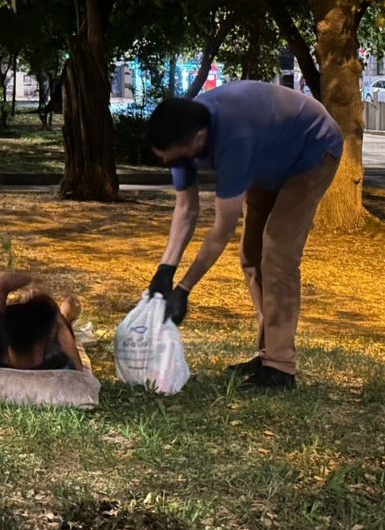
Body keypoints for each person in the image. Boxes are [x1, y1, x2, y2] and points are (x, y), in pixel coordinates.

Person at [145, 80, 343, 389]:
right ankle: (268, 353)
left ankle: (280, 367)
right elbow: (186, 209)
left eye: (174, 157)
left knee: (277, 255)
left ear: (199, 139)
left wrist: (184, 289)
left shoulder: (234, 137)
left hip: (313, 150)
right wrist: (165, 270)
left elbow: (222, 229)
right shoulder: (181, 139)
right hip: (269, 158)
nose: (170, 164)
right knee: (251, 256)